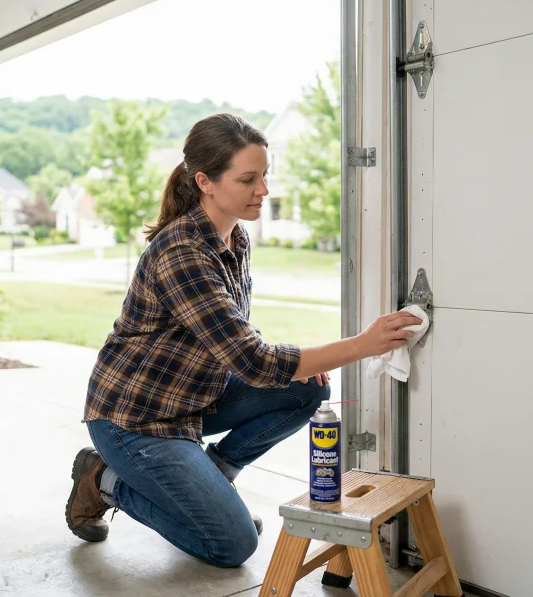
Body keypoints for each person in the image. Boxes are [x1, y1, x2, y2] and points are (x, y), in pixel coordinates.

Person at [65, 113, 420, 568]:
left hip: (195, 397)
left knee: (307, 388)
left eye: (265, 176)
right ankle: (104, 478)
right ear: (204, 182)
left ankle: (215, 474)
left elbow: (231, 333)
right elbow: (252, 361)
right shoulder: (182, 253)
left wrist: (302, 366)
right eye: (248, 179)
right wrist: (364, 343)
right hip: (137, 418)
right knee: (231, 544)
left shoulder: (234, 237)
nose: (264, 191)